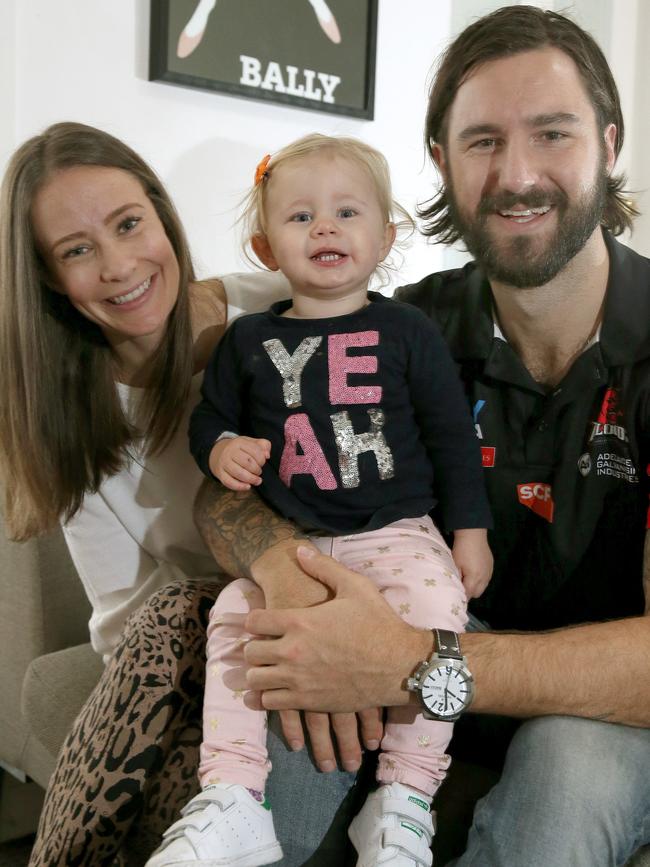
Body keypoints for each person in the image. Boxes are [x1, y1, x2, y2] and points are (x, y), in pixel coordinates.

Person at [192, 7, 650, 867]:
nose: (517, 175)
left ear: (609, 143)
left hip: (594, 709)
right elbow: (223, 492)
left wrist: (413, 659)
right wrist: (286, 571)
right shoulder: (401, 324)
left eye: (553, 133)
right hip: (396, 649)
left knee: (567, 767)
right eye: (481, 141)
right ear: (439, 162)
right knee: (288, 719)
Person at [145, 134, 492, 866]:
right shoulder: (247, 340)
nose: (326, 227)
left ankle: (403, 797)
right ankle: (235, 796)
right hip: (293, 542)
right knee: (235, 620)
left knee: (439, 617)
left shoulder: (407, 330)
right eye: (301, 217)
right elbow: (209, 416)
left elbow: (452, 436)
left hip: (396, 531)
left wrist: (470, 530)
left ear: (385, 238)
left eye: (345, 212)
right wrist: (219, 447)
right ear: (267, 247)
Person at [0, 121, 307, 866]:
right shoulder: (75, 419)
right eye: (78, 251)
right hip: (211, 644)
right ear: (49, 281)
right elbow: (123, 622)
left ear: (163, 216)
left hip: (333, 595)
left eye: (129, 224)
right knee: (174, 616)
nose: (118, 266)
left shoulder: (284, 308)